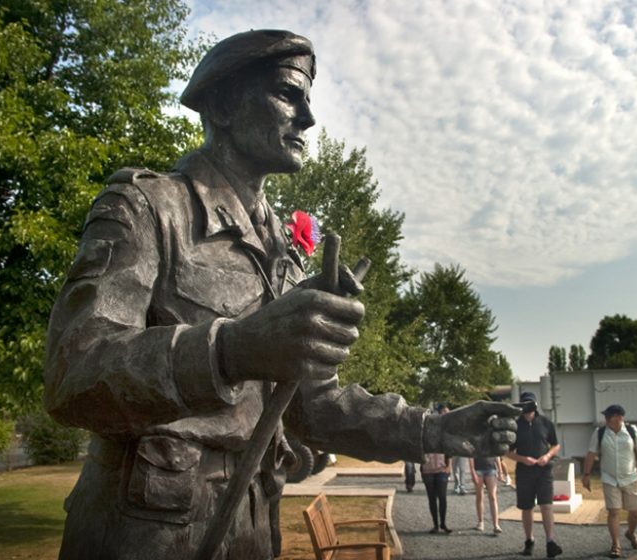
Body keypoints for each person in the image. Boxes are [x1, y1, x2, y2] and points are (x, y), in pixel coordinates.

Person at [43, 29, 519, 560]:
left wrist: (433, 428)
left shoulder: (280, 250)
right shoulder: (148, 208)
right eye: (287, 94)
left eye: (308, 100)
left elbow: (311, 406)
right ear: (223, 106)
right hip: (146, 532)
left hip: (252, 528)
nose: (308, 119)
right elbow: (74, 370)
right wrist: (233, 350)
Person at [581, 404, 637, 559]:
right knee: (613, 512)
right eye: (606, 416)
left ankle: (630, 533)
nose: (606, 419)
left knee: (635, 512)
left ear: (619, 417)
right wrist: (586, 474)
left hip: (631, 477)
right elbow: (591, 453)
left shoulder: (632, 431)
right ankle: (615, 544)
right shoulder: (600, 432)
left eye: (609, 416)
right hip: (610, 478)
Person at [507, 392, 563, 558]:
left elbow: (556, 445)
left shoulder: (545, 422)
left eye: (529, 404)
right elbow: (508, 452)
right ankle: (529, 540)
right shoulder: (515, 425)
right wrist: (523, 459)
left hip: (544, 471)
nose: (527, 407)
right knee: (527, 507)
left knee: (546, 505)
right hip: (524, 472)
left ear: (535, 405)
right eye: (524, 404)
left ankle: (550, 541)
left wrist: (547, 456)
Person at [420, 405, 452, 534]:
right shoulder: (422, 433)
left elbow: (449, 450)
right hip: (427, 470)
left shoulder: (444, 432)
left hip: (441, 469)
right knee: (432, 499)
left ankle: (443, 523)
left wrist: (449, 466)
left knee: (443, 498)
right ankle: (435, 525)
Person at [469, 455, 503, 534]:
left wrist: (500, 470)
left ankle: (496, 525)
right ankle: (481, 522)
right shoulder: (476, 442)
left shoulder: (493, 442)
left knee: (493, 497)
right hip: (478, 469)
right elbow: (470, 455)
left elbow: (496, 454)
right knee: (479, 496)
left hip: (491, 468)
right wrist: (472, 471)